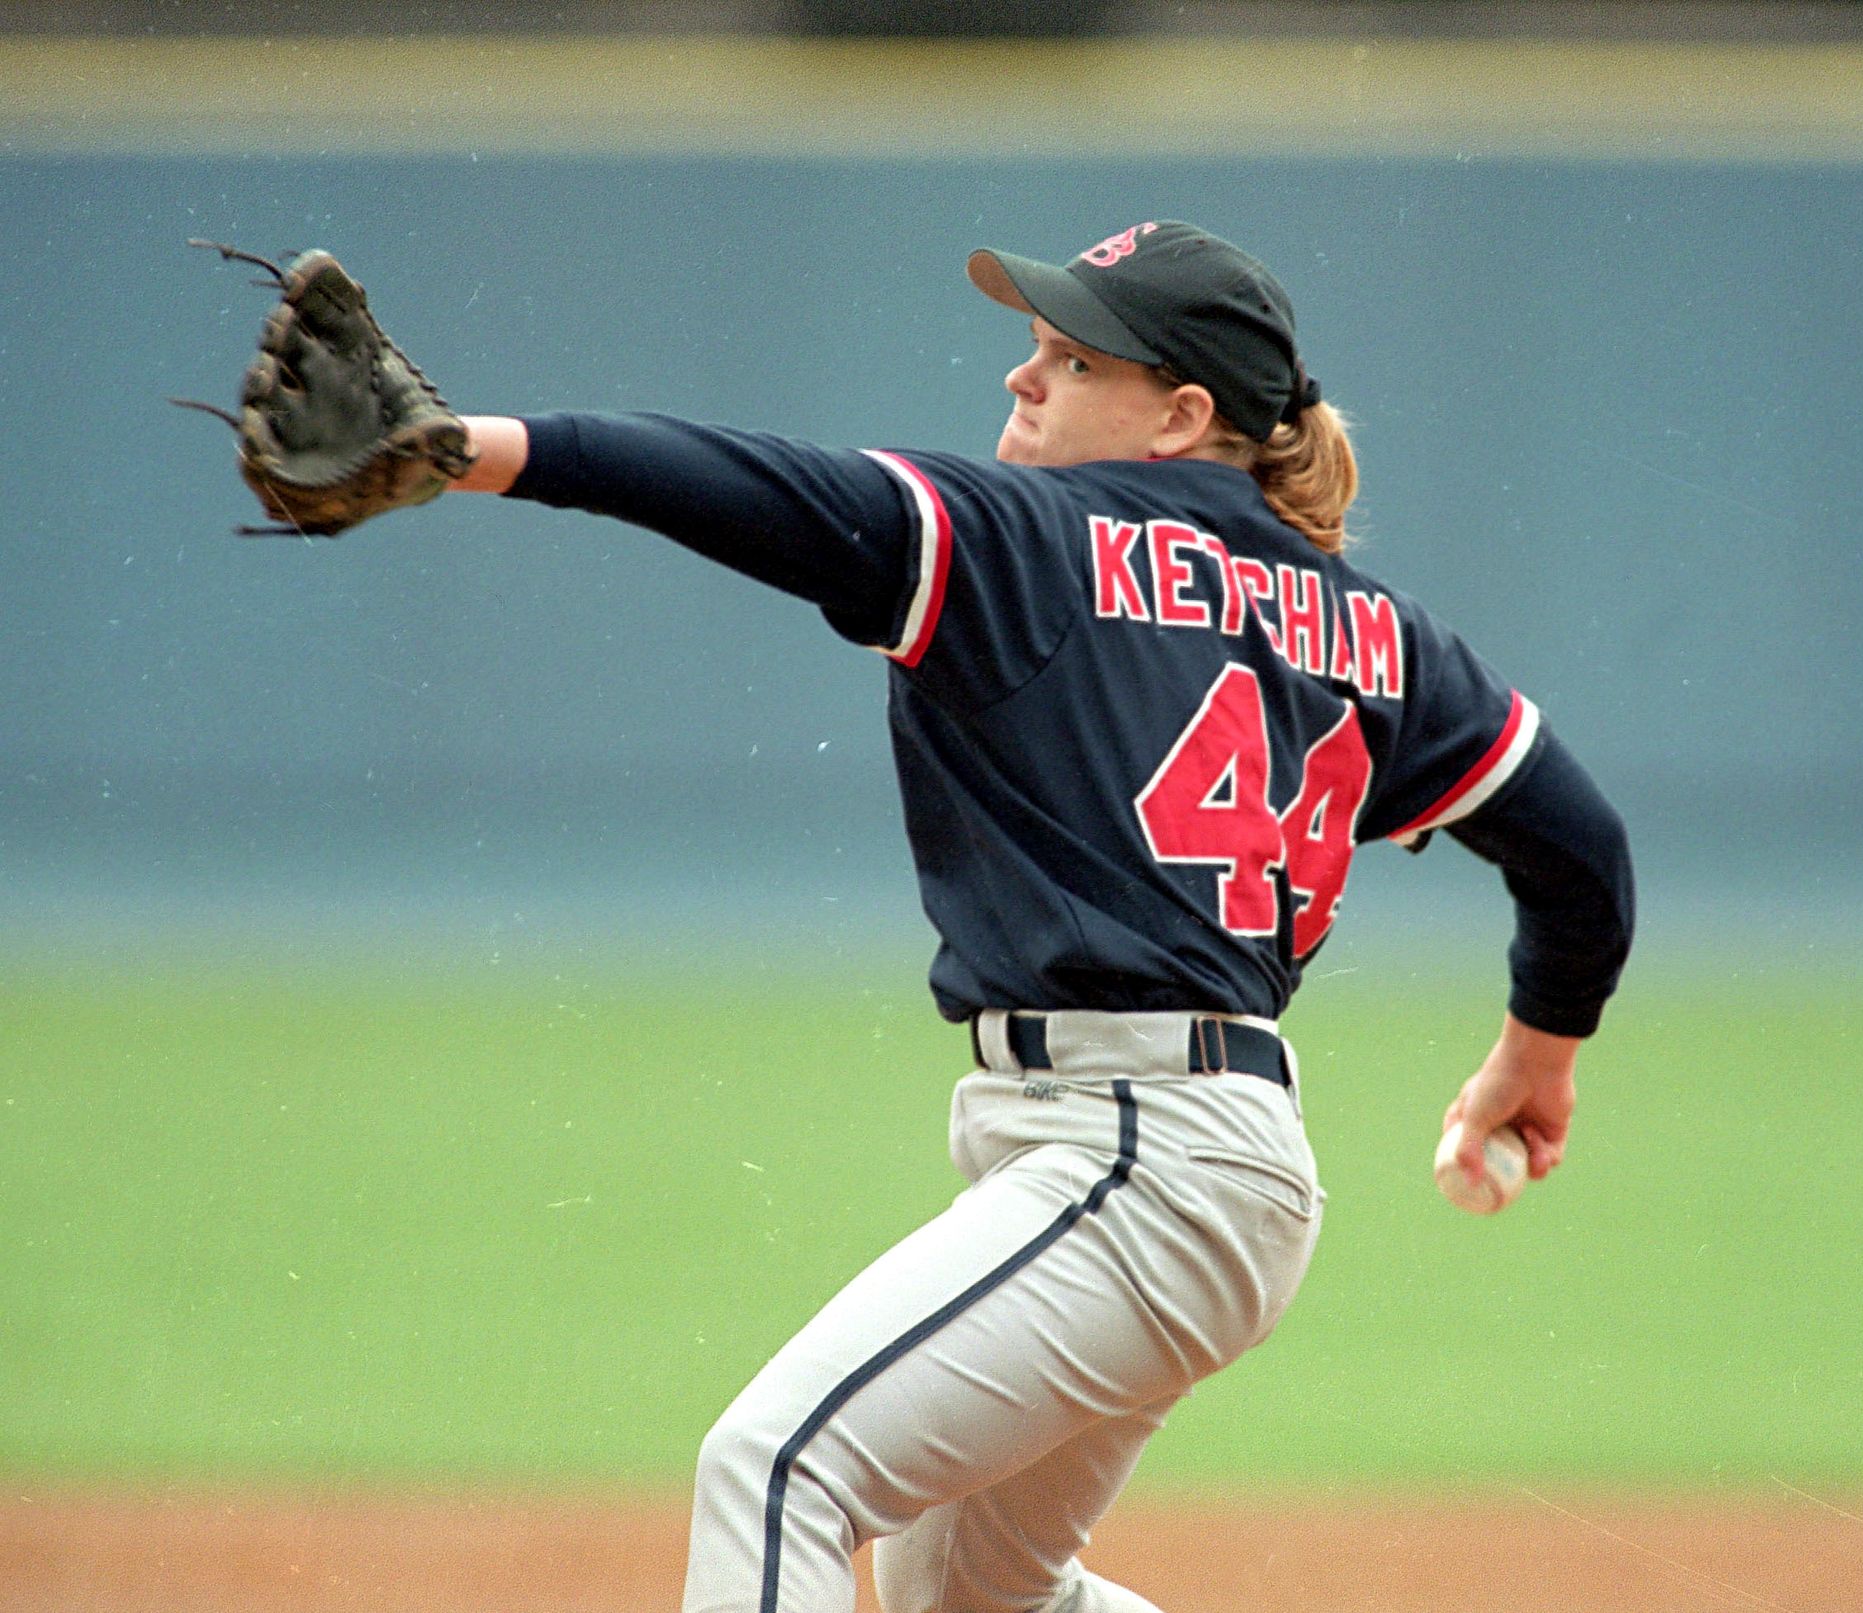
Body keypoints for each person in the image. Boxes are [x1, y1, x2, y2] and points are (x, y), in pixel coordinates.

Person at [450, 220, 1633, 1613]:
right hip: (1197, 1162)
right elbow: (1580, 847)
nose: (1023, 380)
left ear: (1183, 414)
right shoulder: (1372, 628)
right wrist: (1536, 1057)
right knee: (980, 1599)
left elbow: (749, 490)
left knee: (776, 1471)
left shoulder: (1033, 544)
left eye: (1073, 357)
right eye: (1033, 350)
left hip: (1142, 1158)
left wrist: (474, 447)